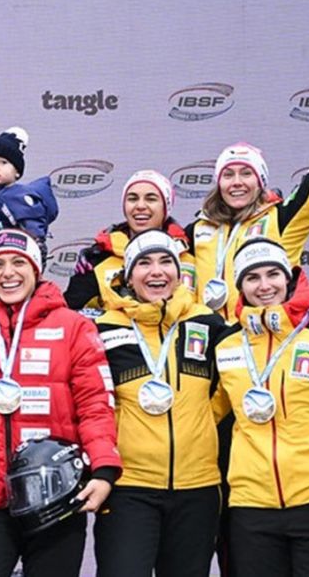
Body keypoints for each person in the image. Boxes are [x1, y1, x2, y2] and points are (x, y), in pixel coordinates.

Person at [0, 229, 122, 577]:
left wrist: (103, 470)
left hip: (56, 494)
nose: (7, 273)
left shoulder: (73, 326)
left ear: (36, 269)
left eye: (18, 263)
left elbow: (95, 404)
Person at [212, 239, 309, 577]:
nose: (264, 286)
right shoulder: (225, 345)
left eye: (273, 274)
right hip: (251, 512)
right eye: (252, 278)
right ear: (239, 286)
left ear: (288, 277)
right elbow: (204, 417)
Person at [185, 41, 309, 321]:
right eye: (228, 175)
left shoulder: (282, 219)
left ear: (261, 182)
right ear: (218, 183)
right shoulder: (197, 229)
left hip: (264, 339)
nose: (237, 182)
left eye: (246, 173)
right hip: (208, 343)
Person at [92, 230, 228, 577]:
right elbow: (93, 403)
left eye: (166, 261)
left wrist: (200, 422)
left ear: (180, 273)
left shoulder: (208, 323)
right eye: (144, 263)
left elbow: (230, 388)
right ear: (128, 276)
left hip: (197, 487)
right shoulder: (103, 329)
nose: (156, 271)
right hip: (129, 487)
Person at [65, 169, 191, 315]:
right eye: (132, 199)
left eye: (151, 199)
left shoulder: (188, 252)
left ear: (166, 207)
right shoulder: (98, 258)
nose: (140, 206)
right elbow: (72, 314)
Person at [0, 127, 58, 253]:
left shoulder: (18, 196)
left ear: (17, 172)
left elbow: (32, 227)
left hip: (14, 253)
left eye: (3, 162)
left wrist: (36, 246)